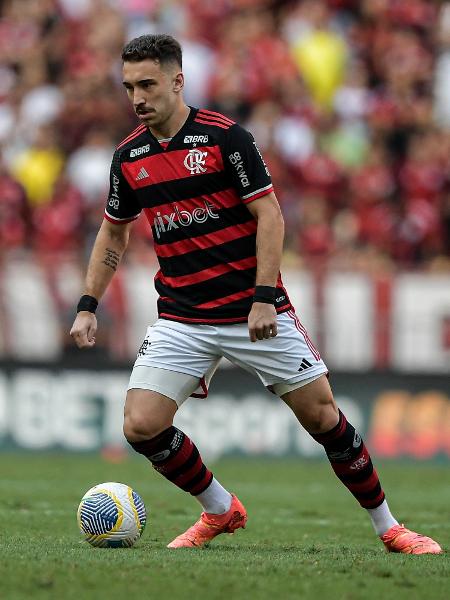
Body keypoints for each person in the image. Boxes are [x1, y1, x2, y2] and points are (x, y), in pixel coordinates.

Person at [70, 34, 442, 554]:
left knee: (322, 418)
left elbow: (269, 214)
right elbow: (114, 232)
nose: (137, 97)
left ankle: (390, 527)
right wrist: (88, 304)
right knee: (140, 426)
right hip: (182, 316)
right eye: (129, 86)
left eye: (148, 84)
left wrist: (264, 296)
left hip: (251, 310)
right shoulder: (129, 157)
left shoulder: (226, 139)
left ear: (178, 81)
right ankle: (221, 510)